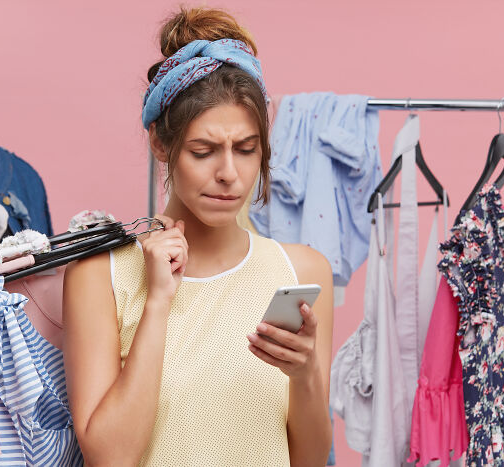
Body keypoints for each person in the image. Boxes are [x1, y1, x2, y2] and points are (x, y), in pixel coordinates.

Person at [63, 7, 333, 466]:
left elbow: (308, 460)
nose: (229, 174)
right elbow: (110, 458)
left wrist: (304, 374)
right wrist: (156, 303)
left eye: (247, 150)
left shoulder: (302, 272)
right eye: (204, 151)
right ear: (161, 144)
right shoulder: (98, 276)